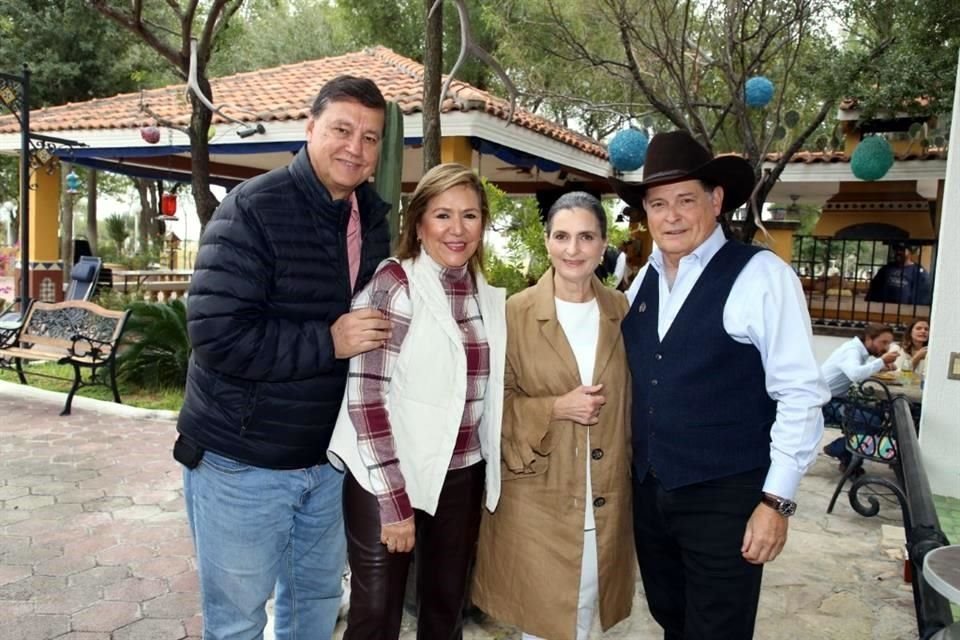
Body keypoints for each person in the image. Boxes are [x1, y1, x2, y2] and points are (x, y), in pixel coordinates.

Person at [174, 76, 392, 640]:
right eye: (342, 129)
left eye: (371, 138)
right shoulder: (251, 209)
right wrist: (330, 341)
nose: (355, 147)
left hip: (327, 462)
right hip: (241, 462)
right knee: (238, 624)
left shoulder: (371, 218)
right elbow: (216, 335)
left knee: (315, 608)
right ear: (310, 128)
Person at [610, 130, 829, 640]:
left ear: (715, 199)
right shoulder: (642, 281)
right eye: (658, 203)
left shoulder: (762, 275)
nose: (672, 215)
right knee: (672, 619)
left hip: (725, 498)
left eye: (686, 199)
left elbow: (800, 393)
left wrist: (777, 502)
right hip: (652, 494)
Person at [327, 163, 506, 639]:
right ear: (419, 222)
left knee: (445, 613)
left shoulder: (487, 298)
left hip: (461, 474)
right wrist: (395, 503)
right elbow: (366, 399)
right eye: (443, 215)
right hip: (388, 472)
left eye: (469, 216)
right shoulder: (395, 284)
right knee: (377, 618)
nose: (457, 229)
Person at [472, 192, 635, 640]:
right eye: (562, 236)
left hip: (605, 501)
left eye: (586, 237)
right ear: (546, 242)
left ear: (604, 245)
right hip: (538, 505)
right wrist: (556, 408)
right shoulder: (515, 314)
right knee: (543, 626)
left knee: (586, 619)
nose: (573, 249)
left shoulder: (623, 314)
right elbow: (490, 406)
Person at [820, 324, 899, 470]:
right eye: (883, 342)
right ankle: (839, 450)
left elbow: (857, 372)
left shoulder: (858, 351)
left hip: (834, 398)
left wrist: (880, 365)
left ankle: (847, 457)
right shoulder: (852, 350)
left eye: (888, 343)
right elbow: (855, 374)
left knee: (879, 415)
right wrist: (881, 361)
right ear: (869, 339)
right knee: (870, 420)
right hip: (822, 402)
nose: (886, 347)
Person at [865, 244, 932, 305]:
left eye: (902, 250)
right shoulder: (886, 269)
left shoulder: (919, 271)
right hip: (884, 310)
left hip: (906, 313)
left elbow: (924, 295)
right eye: (896, 249)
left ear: (910, 252)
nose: (898, 252)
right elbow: (874, 287)